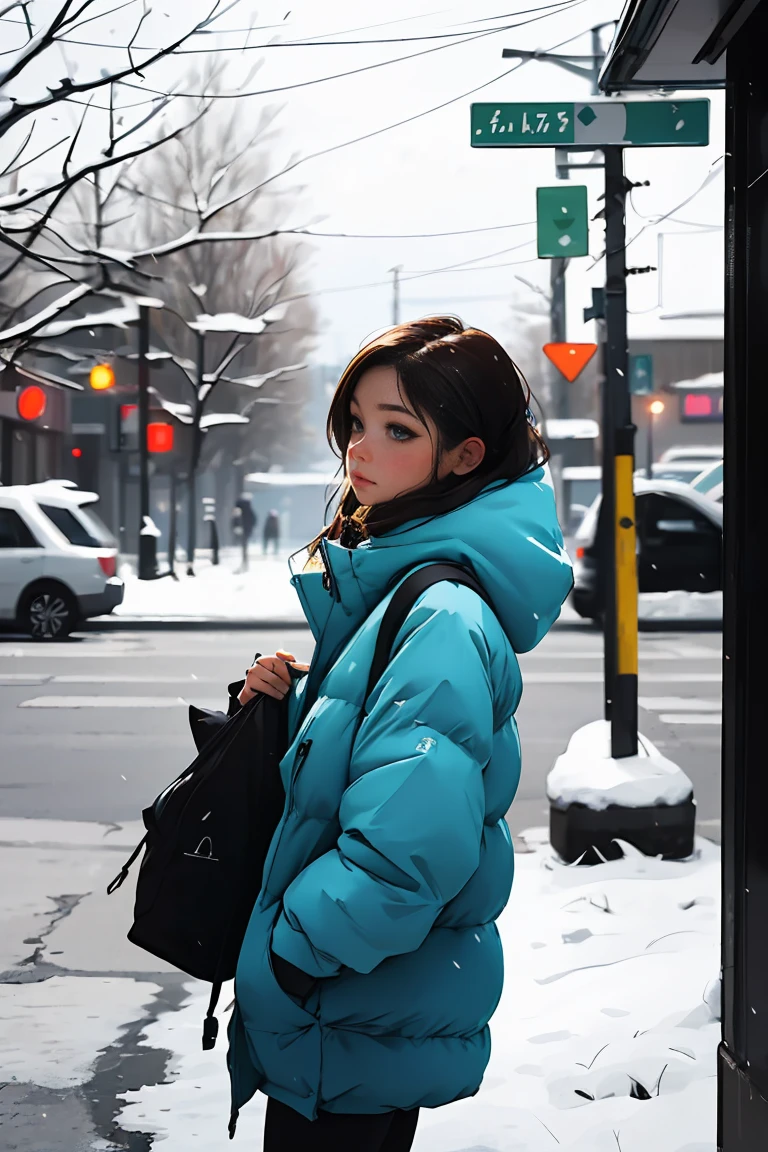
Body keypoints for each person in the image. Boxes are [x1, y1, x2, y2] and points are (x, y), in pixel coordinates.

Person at [229, 317, 573, 1152]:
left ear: (463, 455)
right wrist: (301, 696)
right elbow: (395, 750)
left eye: (397, 429)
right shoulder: (407, 585)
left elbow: (409, 849)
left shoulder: (441, 613)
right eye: (355, 422)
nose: (360, 448)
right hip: (360, 1017)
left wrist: (296, 955)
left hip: (347, 1013)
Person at [232, 494, 256, 571]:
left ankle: (243, 564)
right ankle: (244, 564)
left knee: (242, 548)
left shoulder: (238, 508)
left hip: (241, 530)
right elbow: (253, 520)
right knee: (243, 548)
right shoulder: (248, 509)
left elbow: (235, 520)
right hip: (245, 530)